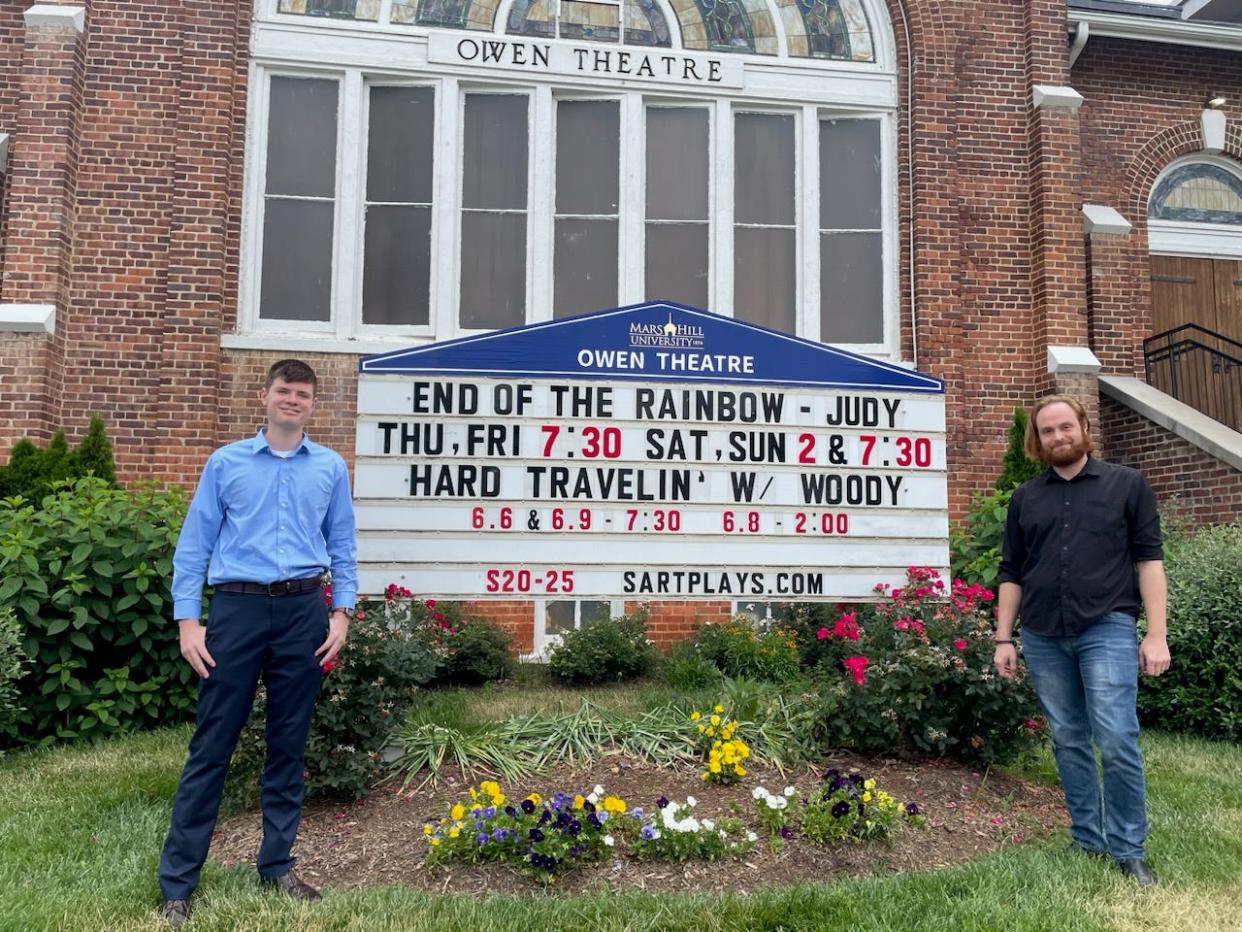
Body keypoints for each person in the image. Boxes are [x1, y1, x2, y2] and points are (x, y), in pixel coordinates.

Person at [158, 359, 357, 927]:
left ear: (313, 404)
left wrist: (340, 613)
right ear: (265, 397)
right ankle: (178, 884)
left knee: (289, 744)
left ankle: (277, 865)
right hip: (237, 612)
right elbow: (194, 545)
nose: (292, 400)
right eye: (283, 391)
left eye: (302, 394)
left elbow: (342, 544)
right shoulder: (226, 464)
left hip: (303, 612)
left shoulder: (330, 469)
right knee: (212, 744)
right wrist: (188, 621)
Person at [993, 394, 1169, 887]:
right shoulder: (1026, 498)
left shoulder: (1127, 485)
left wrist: (1156, 634)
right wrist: (1003, 637)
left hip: (1106, 627)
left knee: (1115, 737)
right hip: (1043, 633)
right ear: (1038, 441)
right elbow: (1012, 572)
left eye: (1065, 427)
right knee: (1067, 738)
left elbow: (1149, 561)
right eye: (1047, 432)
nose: (1058, 437)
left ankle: (1129, 849)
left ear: (1084, 427)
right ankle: (1087, 839)